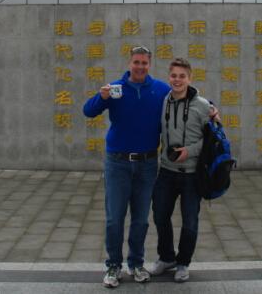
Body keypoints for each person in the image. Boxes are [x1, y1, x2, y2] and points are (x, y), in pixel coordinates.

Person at [83, 46, 169, 288]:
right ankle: (113, 265)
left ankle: (136, 263)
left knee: (141, 219)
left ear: (149, 64)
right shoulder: (115, 88)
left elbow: (185, 96)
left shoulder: (160, 89)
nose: (140, 66)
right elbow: (88, 111)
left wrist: (210, 108)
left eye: (144, 62)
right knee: (115, 218)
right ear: (129, 63)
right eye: (136, 62)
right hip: (118, 163)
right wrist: (102, 97)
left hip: (147, 163)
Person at [147, 57, 211, 283]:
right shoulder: (164, 101)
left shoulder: (203, 106)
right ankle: (166, 258)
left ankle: (183, 262)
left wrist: (190, 151)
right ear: (169, 77)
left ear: (190, 78)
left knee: (190, 222)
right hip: (166, 171)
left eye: (182, 76)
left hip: (192, 174)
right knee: (160, 215)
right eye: (173, 75)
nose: (177, 80)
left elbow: (213, 140)